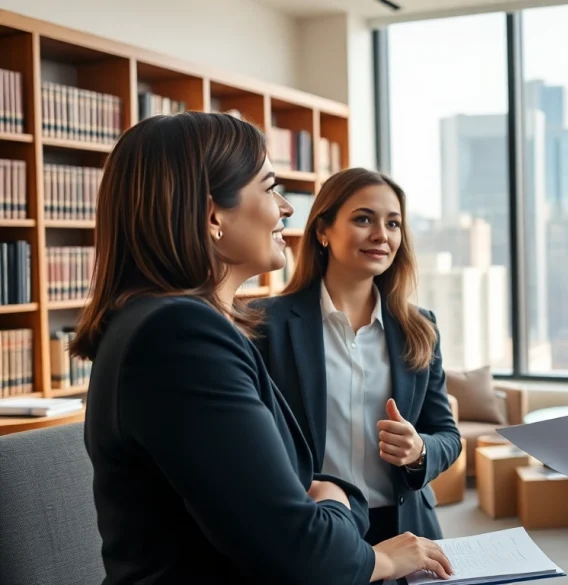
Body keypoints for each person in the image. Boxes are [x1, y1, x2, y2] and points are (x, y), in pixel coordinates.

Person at [72, 112, 454, 584]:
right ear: (213, 214)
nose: (286, 208)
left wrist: (325, 497)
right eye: (270, 188)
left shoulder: (171, 324)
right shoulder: (183, 335)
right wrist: (342, 503)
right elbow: (301, 550)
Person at [251, 167, 461, 545]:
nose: (382, 235)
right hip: (315, 527)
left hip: (406, 526)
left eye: (393, 224)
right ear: (322, 231)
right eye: (364, 219)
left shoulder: (420, 326)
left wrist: (419, 451)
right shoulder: (267, 324)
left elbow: (447, 434)